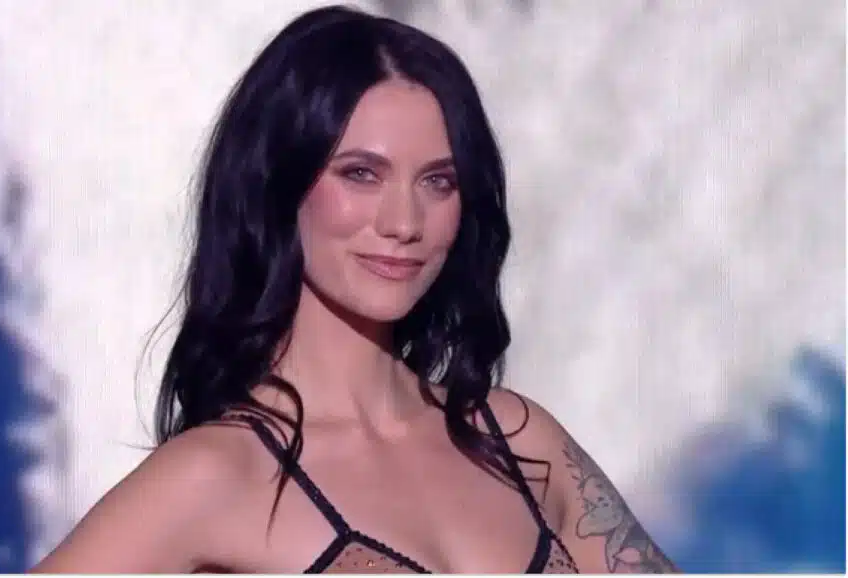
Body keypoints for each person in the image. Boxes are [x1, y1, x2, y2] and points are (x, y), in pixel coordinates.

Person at [33, 4, 678, 574]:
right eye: (361, 174)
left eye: (438, 182)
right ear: (277, 185)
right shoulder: (214, 479)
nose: (404, 223)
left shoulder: (521, 442)